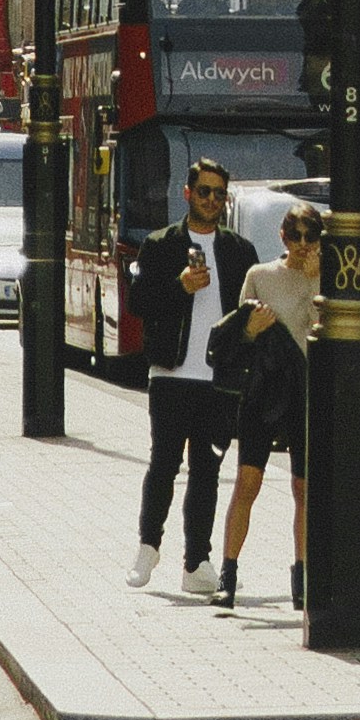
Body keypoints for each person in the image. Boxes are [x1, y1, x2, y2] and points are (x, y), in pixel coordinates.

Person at [129, 157, 251, 595]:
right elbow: (138, 303)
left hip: (218, 378)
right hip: (171, 371)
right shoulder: (161, 245)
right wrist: (179, 286)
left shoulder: (239, 251)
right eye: (204, 192)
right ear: (187, 193)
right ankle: (148, 546)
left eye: (219, 194)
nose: (212, 200)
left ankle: (197, 561)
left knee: (206, 471)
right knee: (164, 462)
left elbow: (246, 312)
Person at [213, 199, 324, 613]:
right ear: (282, 236)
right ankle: (228, 574)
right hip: (264, 388)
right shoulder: (259, 275)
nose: (301, 244)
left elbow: (321, 329)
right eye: (294, 235)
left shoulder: (326, 278)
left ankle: (302, 577)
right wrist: (250, 330)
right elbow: (238, 335)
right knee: (248, 481)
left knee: (304, 488)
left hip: (305, 388)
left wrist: (313, 281)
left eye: (310, 236)